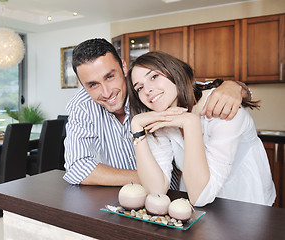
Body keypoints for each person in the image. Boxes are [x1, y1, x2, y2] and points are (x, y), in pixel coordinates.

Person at [63, 38, 250, 186]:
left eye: (110, 76)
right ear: (82, 85)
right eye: (93, 85)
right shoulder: (82, 106)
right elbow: (77, 167)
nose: (106, 92)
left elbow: (194, 88)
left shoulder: (152, 92)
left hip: (173, 197)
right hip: (123, 197)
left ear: (124, 67)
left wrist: (234, 87)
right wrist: (151, 178)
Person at [127, 51, 276, 206]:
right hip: (202, 206)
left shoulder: (221, 108)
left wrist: (190, 122)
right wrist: (136, 127)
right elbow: (155, 189)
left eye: (154, 76)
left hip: (246, 203)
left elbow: (200, 197)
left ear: (174, 71)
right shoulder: (162, 118)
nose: (147, 90)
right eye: (139, 88)